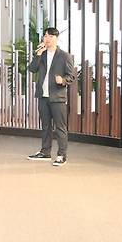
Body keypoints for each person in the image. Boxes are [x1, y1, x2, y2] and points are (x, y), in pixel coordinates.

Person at [27, 27, 76, 166]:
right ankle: (45, 152)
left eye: (50, 36)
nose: (47, 39)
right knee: (46, 126)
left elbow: (71, 76)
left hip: (57, 97)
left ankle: (61, 155)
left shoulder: (64, 56)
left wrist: (63, 80)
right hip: (43, 96)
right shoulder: (41, 54)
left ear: (56, 38)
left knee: (60, 127)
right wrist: (38, 54)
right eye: (45, 36)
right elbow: (32, 69)